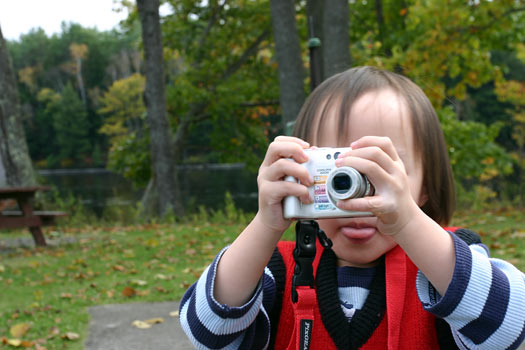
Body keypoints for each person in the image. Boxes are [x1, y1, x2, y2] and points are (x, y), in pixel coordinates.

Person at [179, 66, 525, 349]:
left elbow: (510, 325)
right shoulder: (276, 270)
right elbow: (206, 330)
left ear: (424, 188)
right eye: (334, 174)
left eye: (381, 172)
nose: (357, 197)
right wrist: (266, 225)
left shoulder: (444, 269)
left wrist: (408, 222)